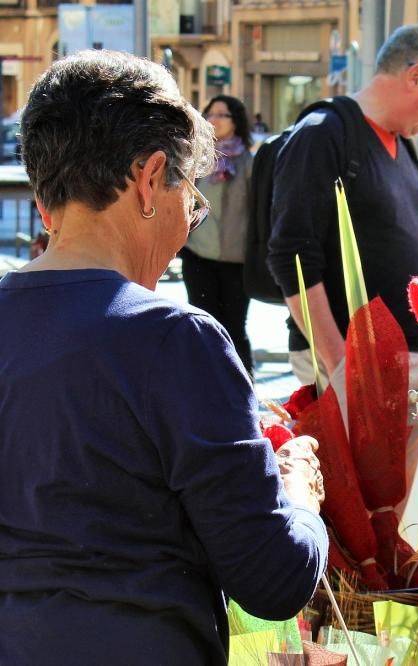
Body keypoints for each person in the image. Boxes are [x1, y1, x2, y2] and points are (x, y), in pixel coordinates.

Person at [0, 50, 328, 665]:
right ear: (150, 179)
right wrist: (299, 494)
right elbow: (274, 578)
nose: (187, 223)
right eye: (191, 197)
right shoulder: (174, 338)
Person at [268, 24, 418, 510]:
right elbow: (292, 256)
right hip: (358, 367)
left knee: (401, 515)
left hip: (414, 363)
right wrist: (344, 368)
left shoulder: (401, 146)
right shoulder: (324, 135)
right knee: (359, 514)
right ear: (416, 74)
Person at [180, 94, 255, 377]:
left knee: (235, 328)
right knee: (202, 325)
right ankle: (203, 387)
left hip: (238, 261)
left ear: (236, 121)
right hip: (199, 257)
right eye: (210, 114)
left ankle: (241, 389)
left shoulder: (250, 163)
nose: (214, 119)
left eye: (222, 114)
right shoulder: (196, 162)